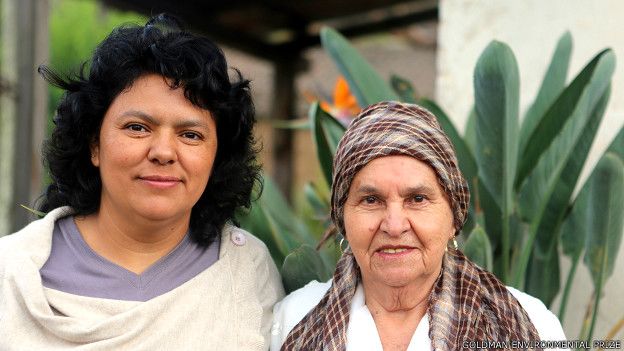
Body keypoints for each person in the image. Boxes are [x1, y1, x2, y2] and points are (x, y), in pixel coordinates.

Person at [0, 14, 284, 350]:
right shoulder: (11, 274)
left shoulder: (247, 269)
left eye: (190, 134)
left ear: (216, 157)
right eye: (137, 127)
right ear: (94, 144)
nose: (163, 152)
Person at [271, 101, 567, 351]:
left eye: (417, 198)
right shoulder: (295, 316)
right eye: (371, 199)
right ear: (342, 217)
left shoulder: (532, 324)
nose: (395, 225)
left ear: (454, 216)